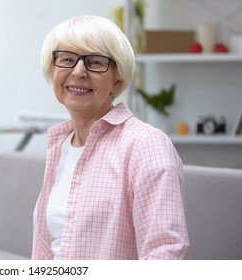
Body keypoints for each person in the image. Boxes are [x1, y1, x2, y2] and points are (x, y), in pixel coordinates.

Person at [32, 15, 189, 260]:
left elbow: (166, 252)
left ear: (117, 79)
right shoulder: (60, 145)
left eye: (95, 62)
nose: (79, 71)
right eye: (67, 59)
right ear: (53, 71)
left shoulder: (146, 145)